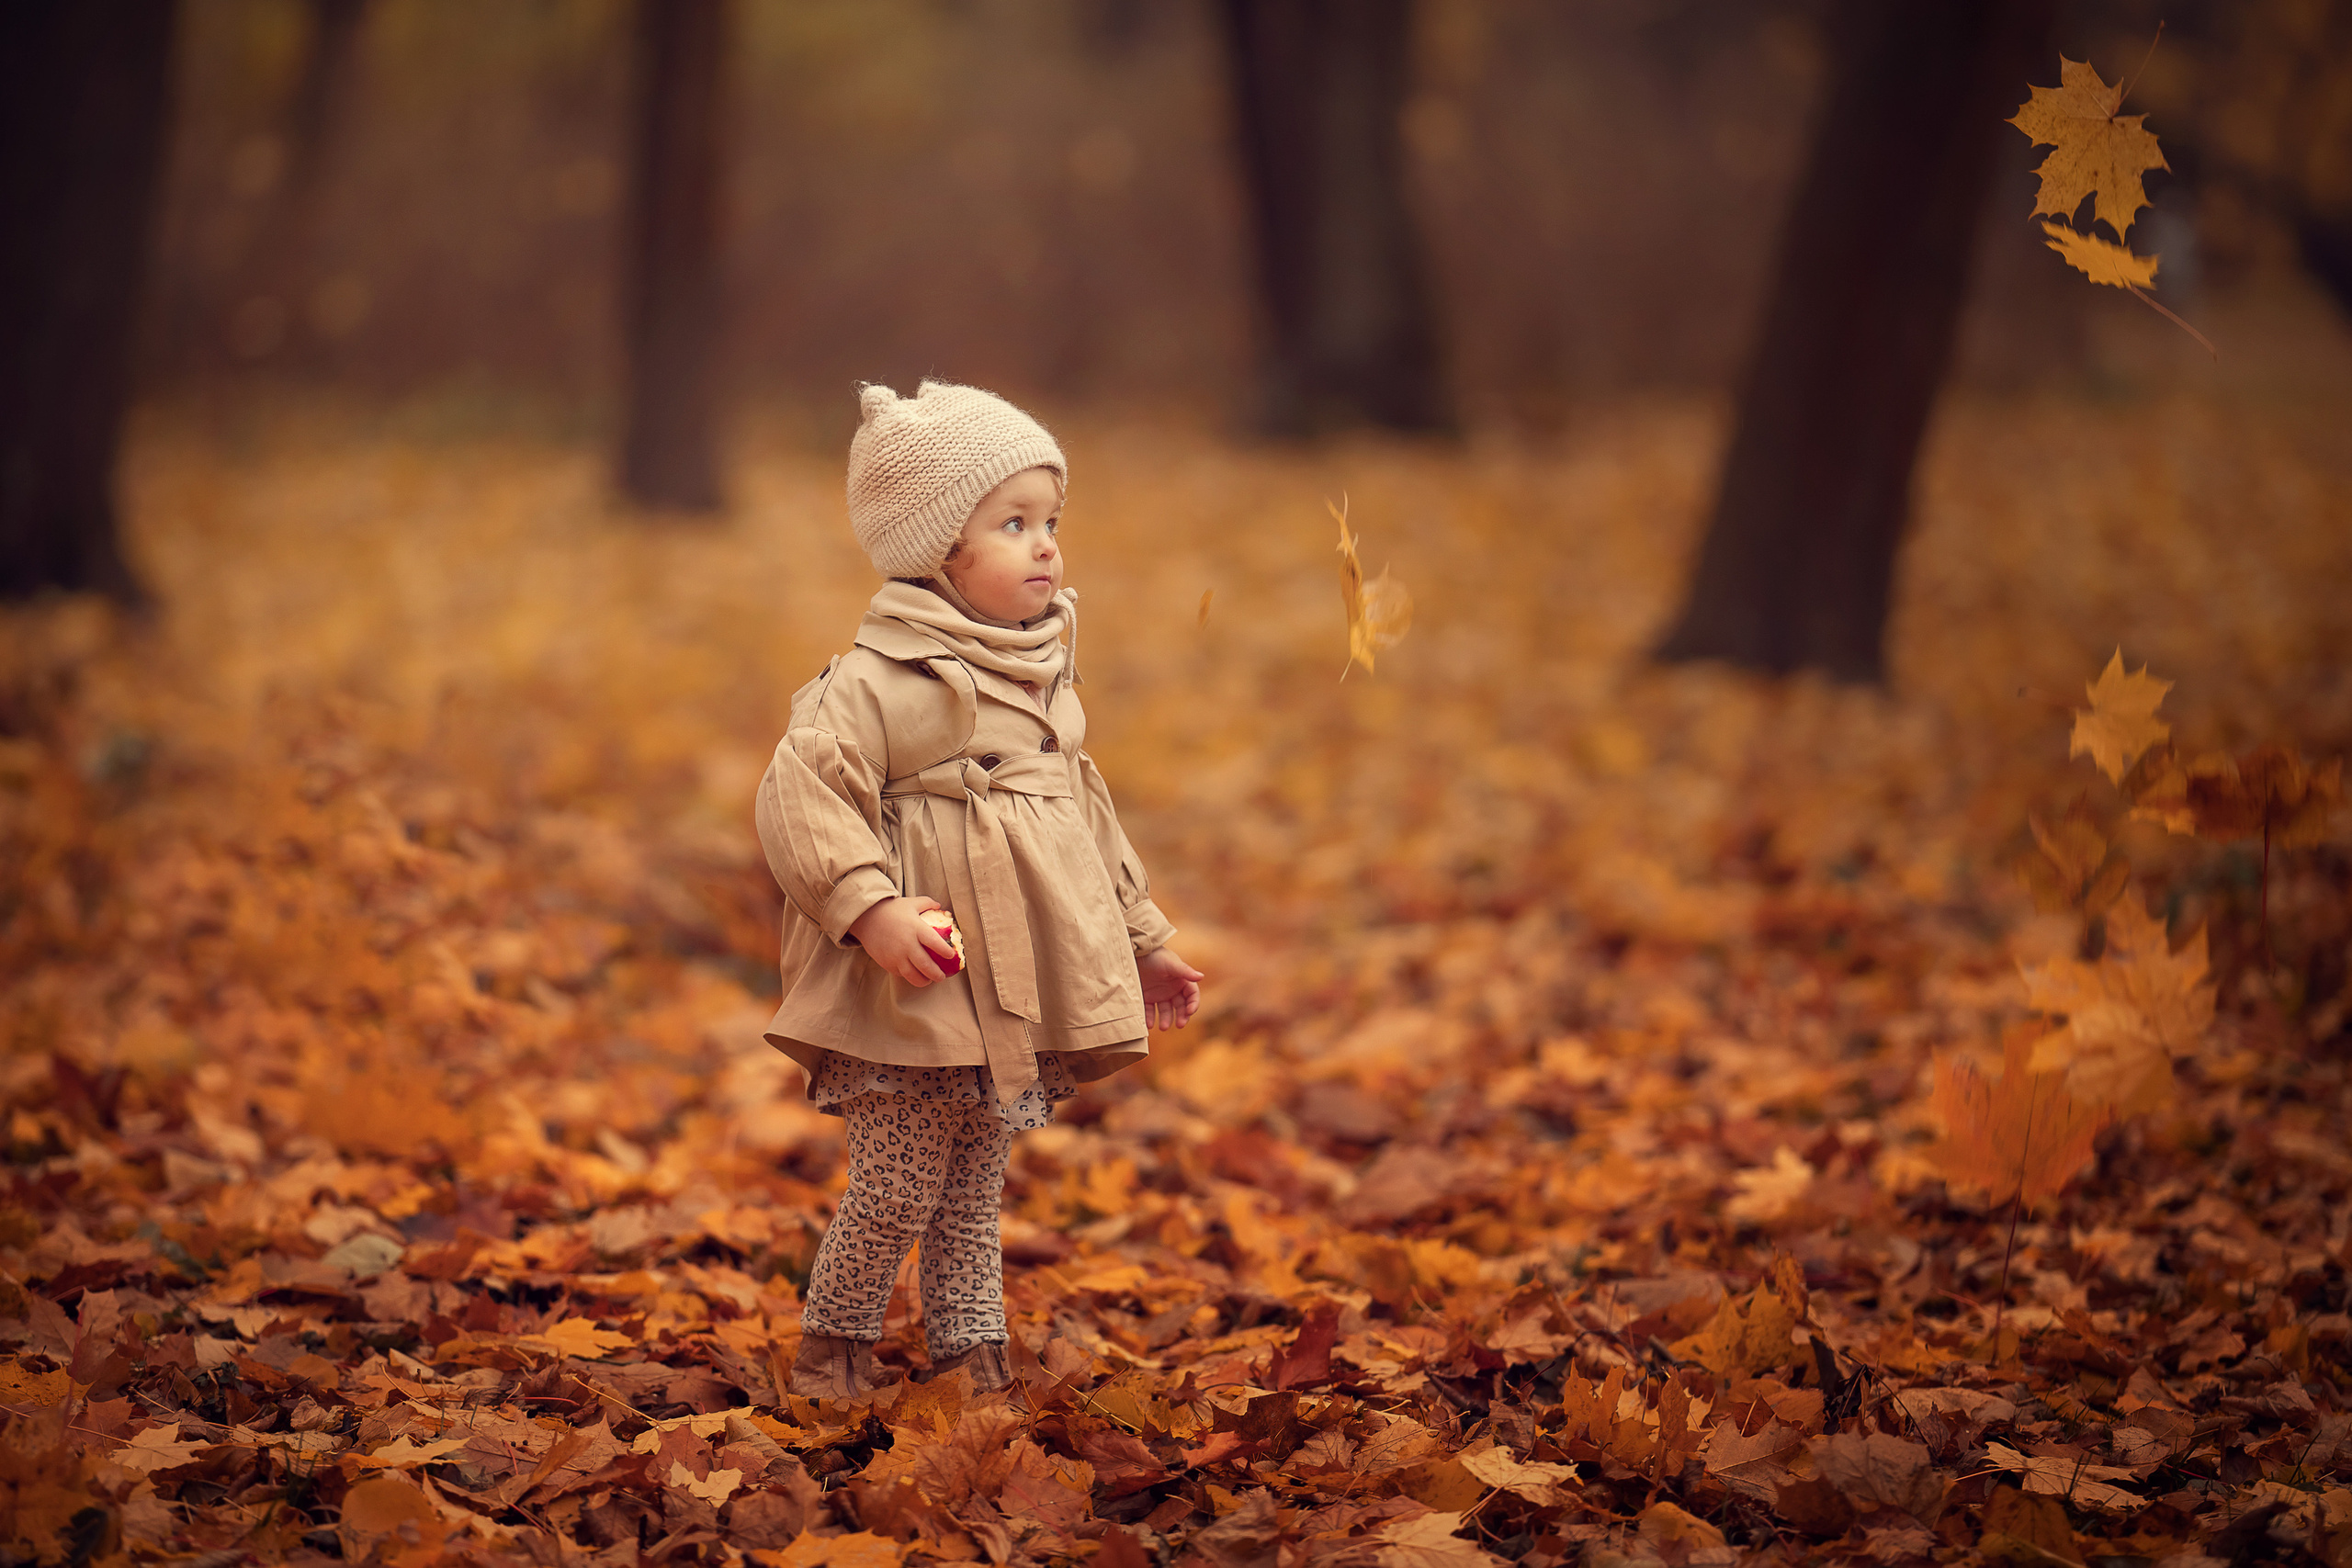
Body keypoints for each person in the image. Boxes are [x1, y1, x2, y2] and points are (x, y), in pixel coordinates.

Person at [754, 379, 1204, 1398]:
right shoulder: (872, 683)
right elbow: (800, 798)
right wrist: (869, 907)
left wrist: (1144, 938)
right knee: (901, 1181)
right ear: (935, 552)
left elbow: (1085, 815)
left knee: (972, 1183)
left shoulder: (1042, 674)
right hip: (911, 983)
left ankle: (970, 1352)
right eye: (1011, 524)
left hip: (1013, 980)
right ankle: (834, 1347)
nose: (1045, 545)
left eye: (1050, 521)